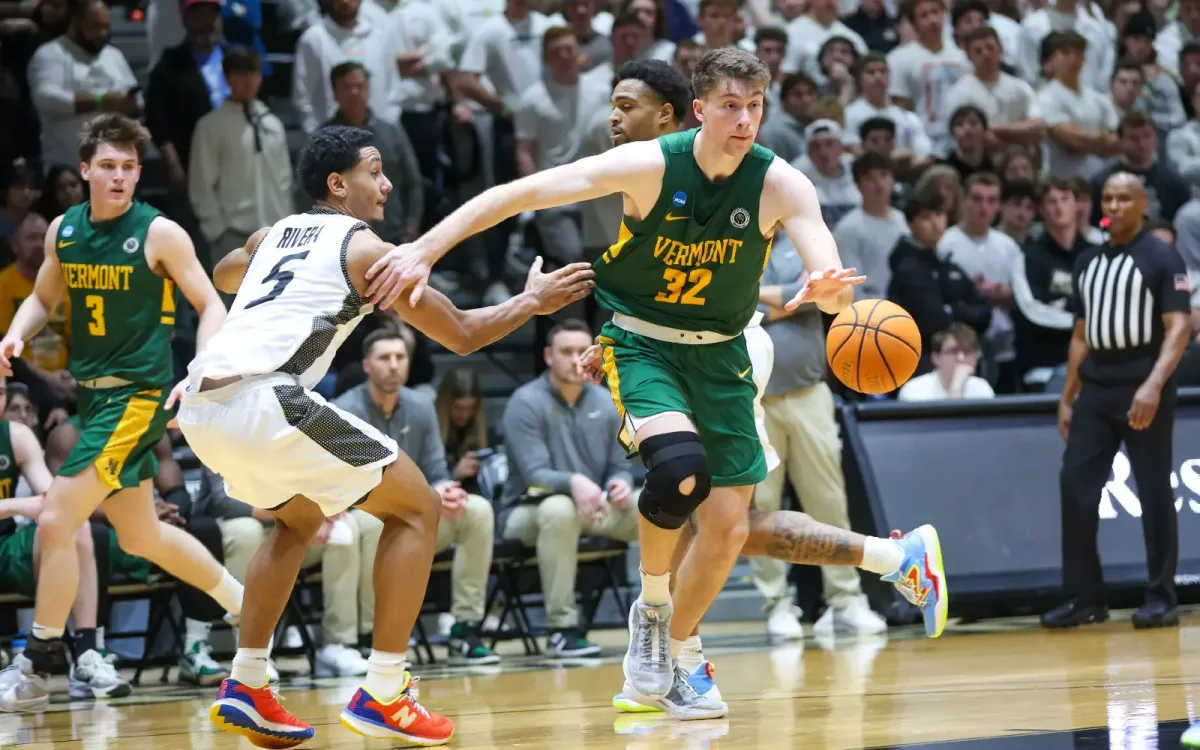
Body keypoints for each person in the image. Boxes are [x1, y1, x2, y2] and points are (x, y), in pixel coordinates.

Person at [365, 48, 948, 720]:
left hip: (723, 352)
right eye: (730, 105)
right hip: (644, 343)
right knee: (677, 473)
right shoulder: (650, 163)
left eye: (754, 106)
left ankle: (678, 654)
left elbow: (833, 284)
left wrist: (829, 293)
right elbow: (518, 193)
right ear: (700, 110)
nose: (744, 119)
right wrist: (423, 250)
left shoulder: (781, 183)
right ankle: (654, 605)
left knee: (728, 528)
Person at [177, 125, 594, 747]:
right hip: (268, 398)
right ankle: (385, 691)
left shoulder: (274, 233)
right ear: (339, 184)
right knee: (417, 508)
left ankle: (248, 681)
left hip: (204, 406)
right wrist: (531, 303)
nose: (388, 182)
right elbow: (460, 334)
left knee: (296, 521)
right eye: (375, 170)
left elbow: (225, 271)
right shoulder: (368, 250)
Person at [0, 113, 243, 712]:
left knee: (57, 520)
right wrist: (15, 333)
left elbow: (211, 303)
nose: (118, 177)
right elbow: (43, 296)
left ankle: (35, 662)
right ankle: (248, 605)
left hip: (138, 398)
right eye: (107, 166)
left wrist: (199, 368)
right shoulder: (65, 230)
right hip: (93, 397)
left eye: (129, 167)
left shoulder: (160, 233)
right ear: (84, 170)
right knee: (143, 534)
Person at [1043, 172, 1190, 630]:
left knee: (1153, 490)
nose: (1117, 205)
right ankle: (1085, 596)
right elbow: (1082, 334)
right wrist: (1068, 395)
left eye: (1126, 198)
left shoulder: (1163, 257)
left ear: (1143, 204)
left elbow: (1180, 327)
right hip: (1097, 387)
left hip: (1143, 384)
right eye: (1109, 197)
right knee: (1075, 484)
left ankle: (1161, 595)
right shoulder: (1089, 261)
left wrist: (1153, 384)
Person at [0, 374, 130, 702]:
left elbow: (52, 498)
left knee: (71, 523)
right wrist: (20, 505)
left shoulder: (16, 436)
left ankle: (86, 653)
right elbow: (33, 503)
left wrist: (33, 506)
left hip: (4, 547)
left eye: (1, 392)